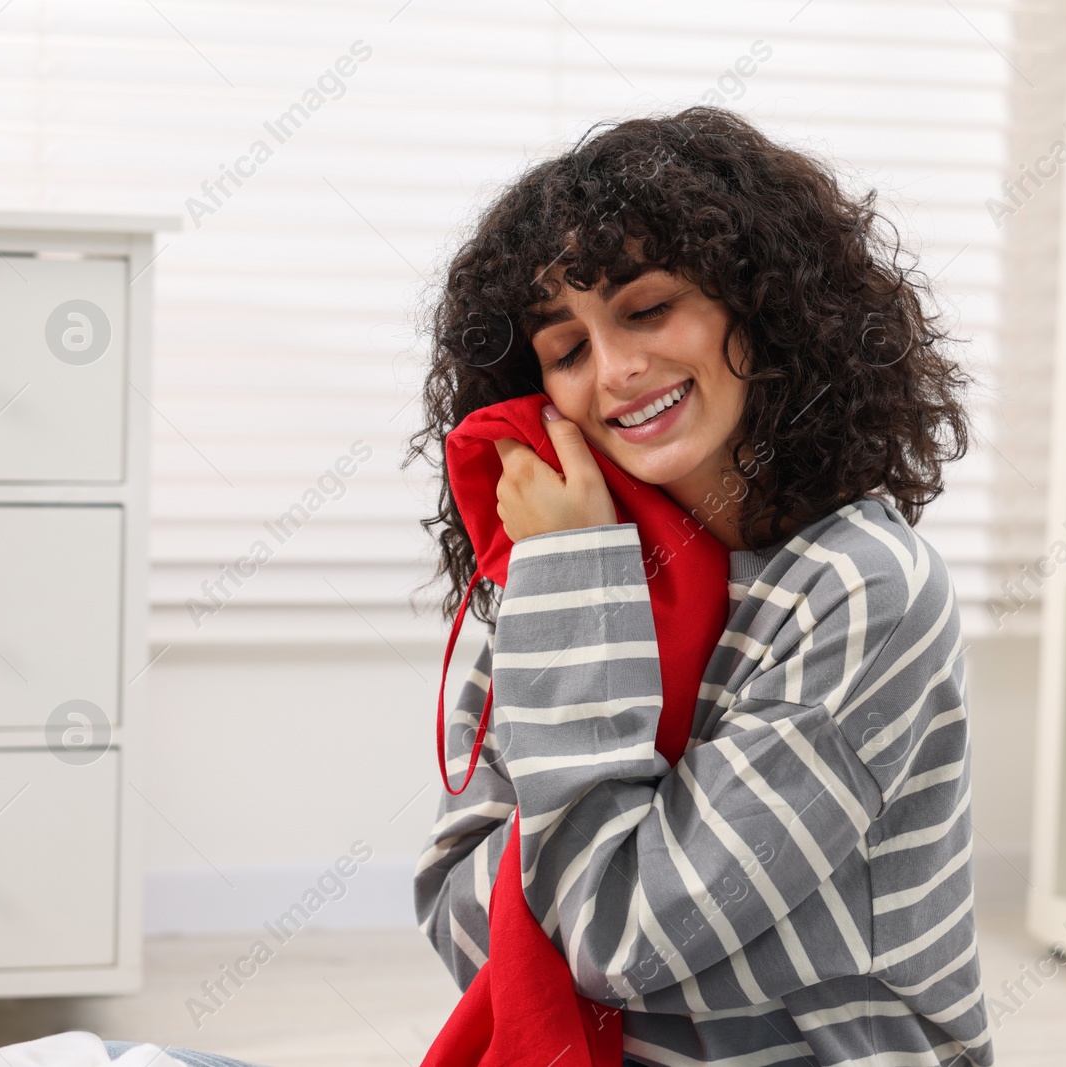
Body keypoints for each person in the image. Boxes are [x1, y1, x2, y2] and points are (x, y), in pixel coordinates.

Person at [407, 106, 992, 1066]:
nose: (619, 370)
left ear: (760, 305)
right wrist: (571, 578)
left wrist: (581, 592)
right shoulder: (555, 556)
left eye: (646, 309)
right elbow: (456, 915)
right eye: (567, 349)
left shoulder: (863, 590)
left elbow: (614, 937)